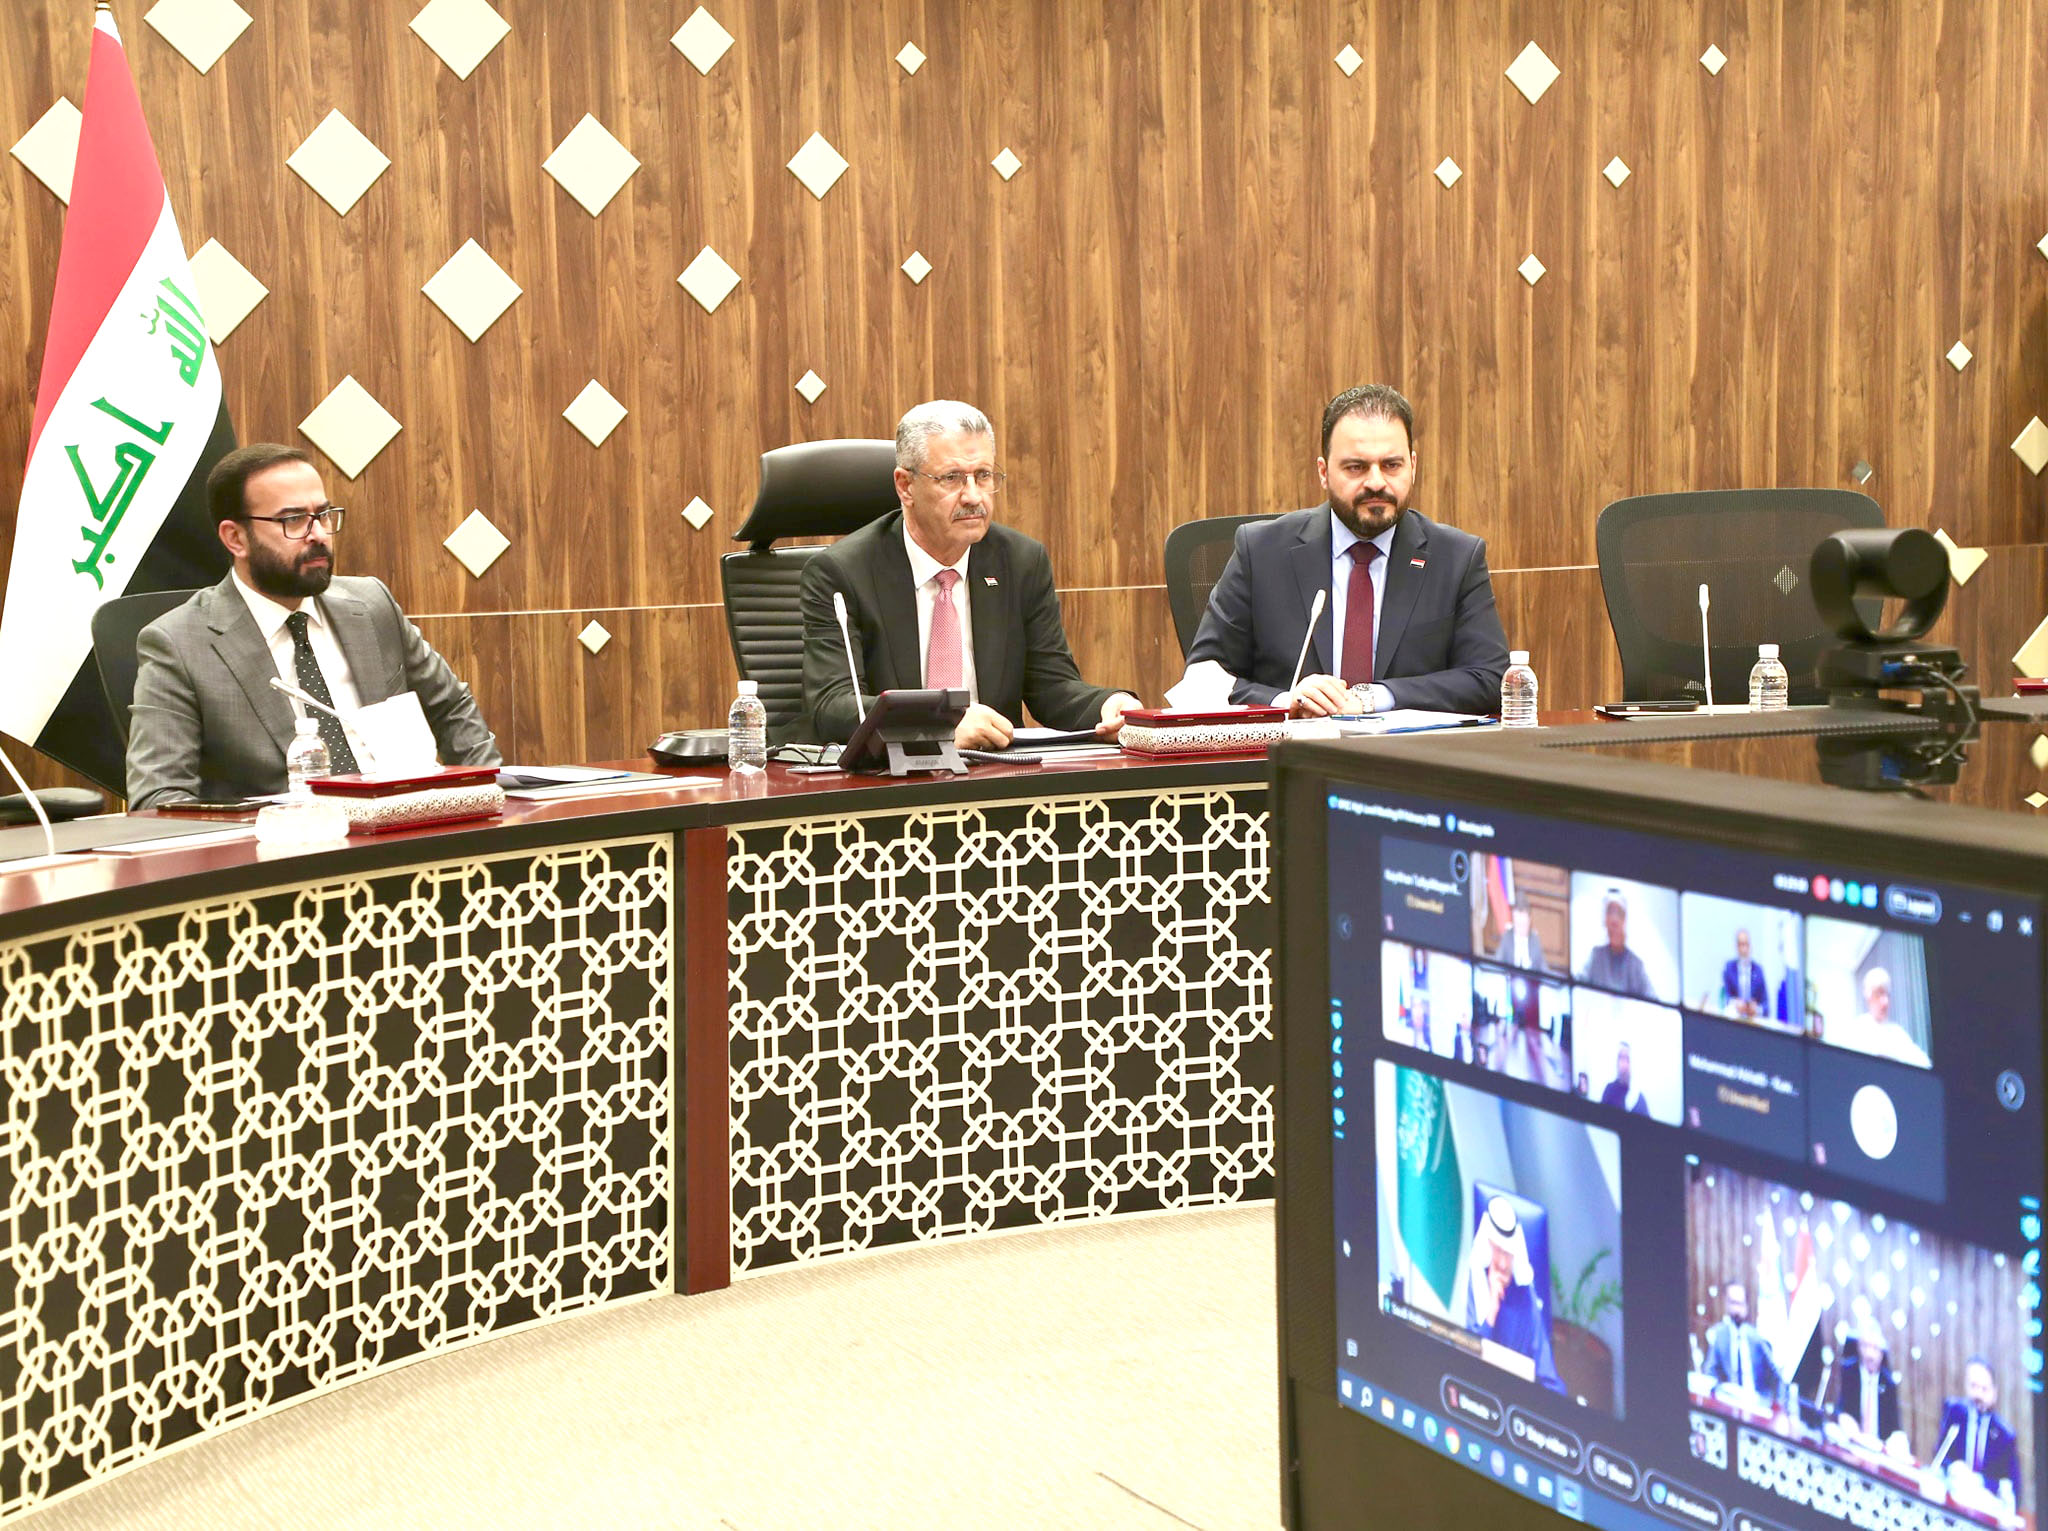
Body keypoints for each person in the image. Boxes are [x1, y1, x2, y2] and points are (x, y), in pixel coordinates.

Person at [126, 445, 499, 810]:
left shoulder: (371, 605)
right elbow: (160, 799)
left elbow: (452, 708)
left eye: (323, 515)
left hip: (403, 822)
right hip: (282, 841)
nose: (318, 534)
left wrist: (491, 798)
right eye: (293, 520)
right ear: (235, 538)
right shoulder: (179, 644)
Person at [800, 401, 1140, 749]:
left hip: (997, 769)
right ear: (905, 486)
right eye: (952, 478)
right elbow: (834, 706)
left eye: (983, 475)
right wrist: (940, 725)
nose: (974, 496)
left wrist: (1108, 705)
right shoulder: (842, 574)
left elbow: (1052, 687)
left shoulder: (1020, 562)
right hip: (893, 774)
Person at [1183, 385, 1509, 716]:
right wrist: (1286, 702)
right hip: (1294, 748)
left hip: (1407, 749)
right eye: (1356, 467)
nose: (1376, 482)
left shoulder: (1456, 558)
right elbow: (1201, 677)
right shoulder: (1261, 552)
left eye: (1391, 465)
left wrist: (1375, 697)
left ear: (1413, 465)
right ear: (1324, 472)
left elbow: (1490, 677)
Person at [1461, 1195, 1565, 1393]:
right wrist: (1491, 1309)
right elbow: (1469, 1361)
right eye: (1497, 1250)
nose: (1501, 1263)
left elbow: (1547, 1376)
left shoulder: (1526, 1297)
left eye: (1507, 1254)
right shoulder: (1477, 1283)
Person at [1932, 1357, 2018, 1508]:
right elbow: (1939, 1456)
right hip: (1953, 1495)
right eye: (1973, 1386)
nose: (1978, 1395)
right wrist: (1953, 1468)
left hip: (1984, 1505)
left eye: (1984, 1389)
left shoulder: (2005, 1435)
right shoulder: (1954, 1412)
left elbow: (2010, 1487)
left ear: (1994, 1393)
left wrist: (1978, 1481)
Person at [1829, 967, 1931, 1068]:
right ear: (1868, 997)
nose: (1885, 1001)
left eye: (1887, 995)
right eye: (1879, 994)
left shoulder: (1898, 1034)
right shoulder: (1855, 1030)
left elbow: (1925, 1063)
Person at [1702, 1282, 1783, 1402]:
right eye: (1733, 1303)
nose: (1737, 1309)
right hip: (1730, 1402)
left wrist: (1779, 1405)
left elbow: (1776, 1377)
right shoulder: (1720, 1336)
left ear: (1746, 1306)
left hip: (1757, 1402)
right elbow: (1709, 1371)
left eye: (1741, 1303)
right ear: (1726, 1304)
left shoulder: (1756, 1338)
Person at [1835, 1318, 1905, 1452]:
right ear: (1858, 1347)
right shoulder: (1847, 1371)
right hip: (1850, 1440)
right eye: (1865, 1346)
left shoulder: (1888, 1383)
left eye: (1875, 1348)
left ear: (1882, 1352)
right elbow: (1839, 1410)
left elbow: (1895, 1427)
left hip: (1877, 1447)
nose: (1870, 1355)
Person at [1579, 889, 1657, 998]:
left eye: (1618, 913)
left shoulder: (1636, 964)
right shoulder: (1596, 956)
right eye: (1610, 912)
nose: (1614, 919)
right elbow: (1579, 986)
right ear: (1605, 921)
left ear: (1625, 920)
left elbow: (1652, 998)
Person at [1492, 898, 1551, 973]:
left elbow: (1544, 969)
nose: (1520, 928)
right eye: (1517, 924)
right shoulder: (1507, 937)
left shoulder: (1535, 939)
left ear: (1529, 921)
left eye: (1523, 924)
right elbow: (1497, 963)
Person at [1720, 929, 1768, 1019]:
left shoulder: (1758, 970)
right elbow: (1724, 998)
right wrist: (1735, 1003)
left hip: (1753, 1019)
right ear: (1737, 947)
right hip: (1734, 1018)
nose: (1744, 949)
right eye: (1742, 945)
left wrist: (1757, 1009)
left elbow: (1766, 1006)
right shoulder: (1729, 968)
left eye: (1747, 944)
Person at [1598, 1041, 1650, 1116]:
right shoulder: (1609, 1090)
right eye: (1621, 1058)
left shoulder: (1639, 1097)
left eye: (1627, 1059)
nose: (1624, 1065)